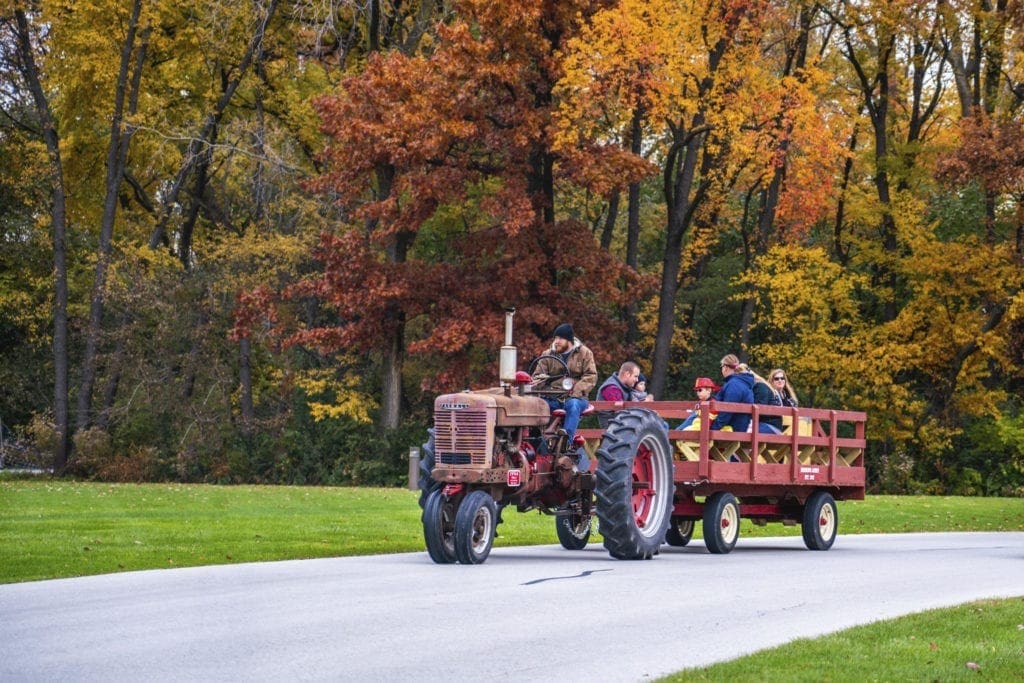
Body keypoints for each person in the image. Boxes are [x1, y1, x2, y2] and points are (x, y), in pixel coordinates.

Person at [531, 322, 597, 441]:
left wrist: (575, 391)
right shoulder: (547, 355)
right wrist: (536, 384)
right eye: (555, 338)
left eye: (560, 338)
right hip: (553, 397)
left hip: (576, 397)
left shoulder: (584, 353)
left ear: (569, 340)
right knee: (535, 405)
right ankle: (536, 442)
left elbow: (591, 376)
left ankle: (565, 442)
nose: (557, 341)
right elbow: (537, 377)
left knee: (573, 405)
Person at [710, 354, 754, 432]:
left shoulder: (734, 385)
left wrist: (712, 428)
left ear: (725, 367)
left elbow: (727, 411)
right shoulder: (742, 382)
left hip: (733, 429)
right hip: (739, 427)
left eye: (721, 367)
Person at [737, 363, 783, 433]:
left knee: (743, 431)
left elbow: (760, 409)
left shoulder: (760, 386)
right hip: (764, 424)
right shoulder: (755, 386)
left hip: (771, 426)